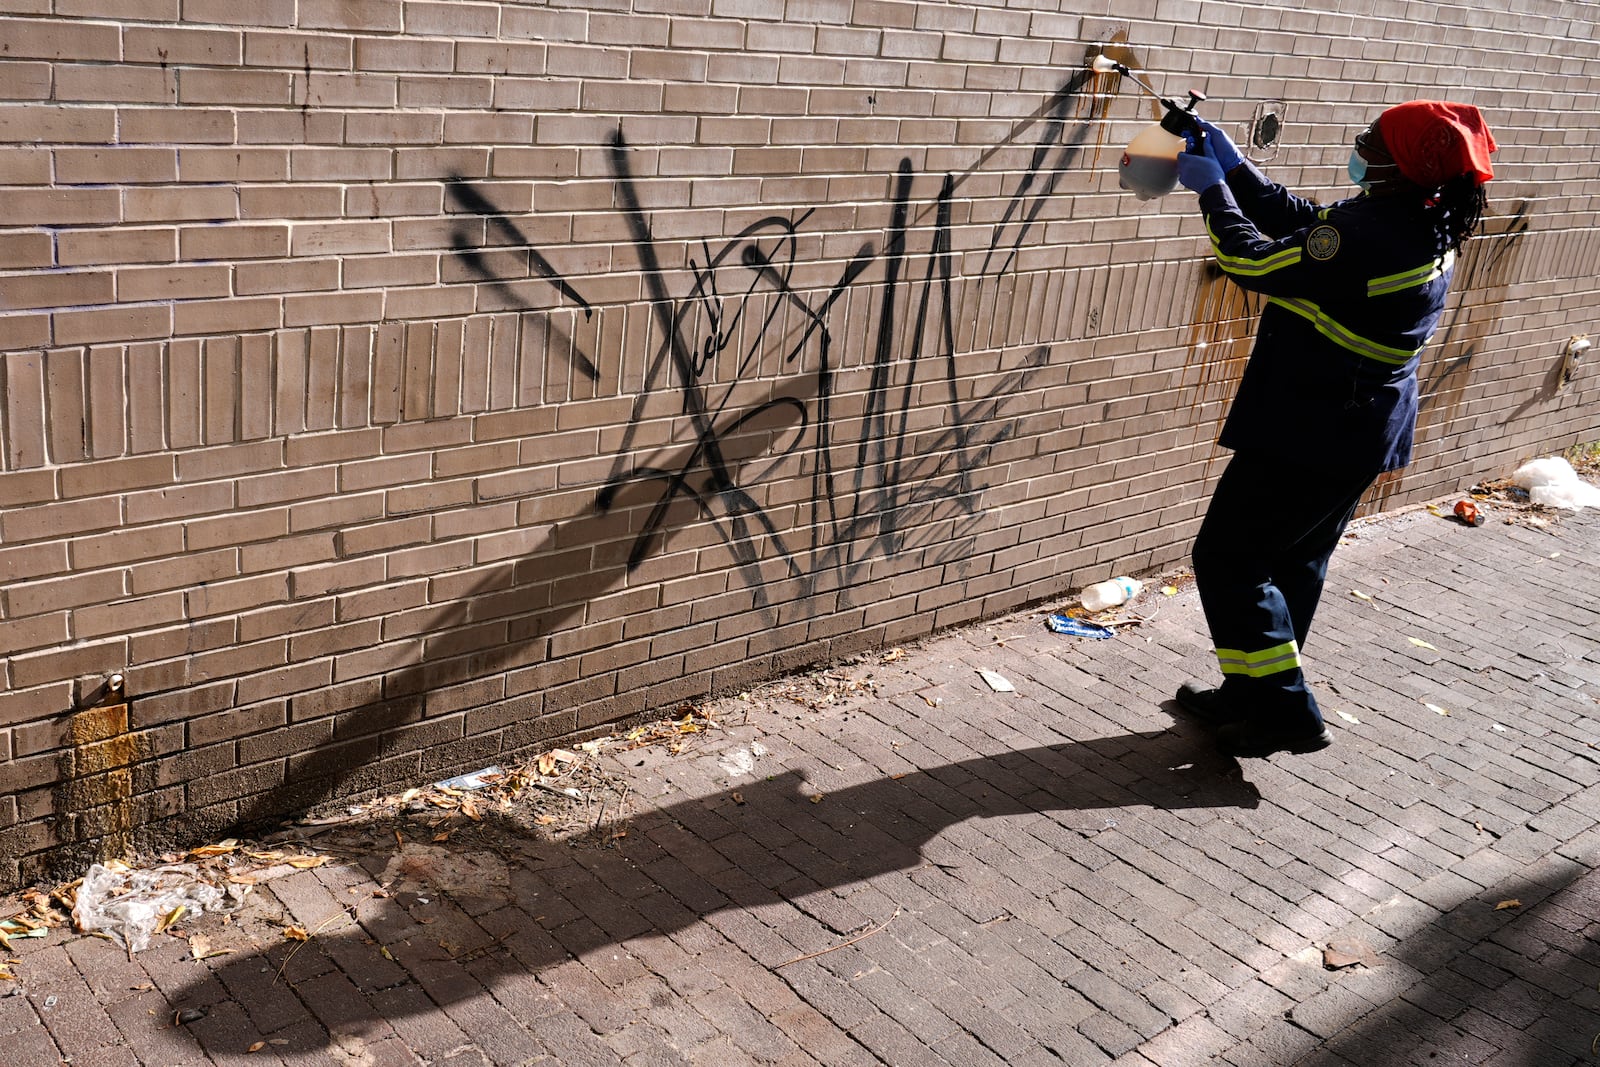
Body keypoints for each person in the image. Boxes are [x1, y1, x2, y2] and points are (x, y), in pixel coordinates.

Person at [1171, 101, 1498, 758]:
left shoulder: (1377, 232)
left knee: (1228, 557)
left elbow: (1258, 264)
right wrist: (1234, 162)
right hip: (1354, 426)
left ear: (1391, 163)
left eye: (1365, 140)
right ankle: (1252, 696)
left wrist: (1210, 189)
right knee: (1292, 561)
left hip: (1314, 424)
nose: (1356, 146)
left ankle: (1288, 709)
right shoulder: (1418, 217)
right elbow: (1310, 225)